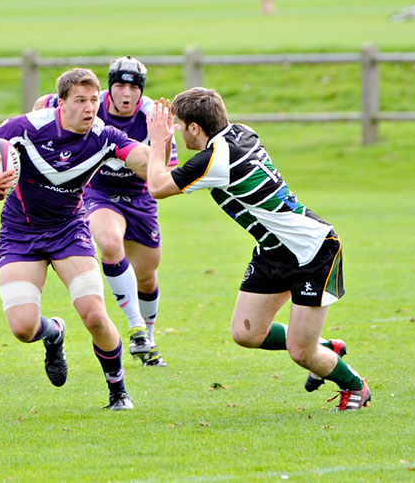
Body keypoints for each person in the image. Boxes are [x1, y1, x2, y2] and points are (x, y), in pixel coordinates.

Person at [145, 88, 370, 411]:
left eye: (180, 126)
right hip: (274, 250)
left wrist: (157, 140)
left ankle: (355, 387)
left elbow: (156, 187)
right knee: (246, 333)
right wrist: (165, 140)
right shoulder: (241, 133)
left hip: (312, 252)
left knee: (300, 352)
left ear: (195, 128)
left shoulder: (216, 160)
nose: (178, 133)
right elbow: (166, 176)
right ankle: (326, 346)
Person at [0, 68, 151, 410]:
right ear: (61, 103)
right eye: (80, 101)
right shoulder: (29, 126)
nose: (90, 108)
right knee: (22, 328)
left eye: (94, 100)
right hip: (20, 233)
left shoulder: (104, 135)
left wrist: (161, 150)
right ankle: (54, 333)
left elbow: (143, 161)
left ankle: (118, 390)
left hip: (69, 230)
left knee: (93, 314)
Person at [34, 57, 176, 367]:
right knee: (110, 243)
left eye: (134, 87)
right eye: (120, 86)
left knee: (147, 278)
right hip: (98, 192)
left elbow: (163, 173)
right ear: (109, 87)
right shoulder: (91, 107)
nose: (127, 94)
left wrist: (158, 145)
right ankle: (136, 327)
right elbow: (43, 105)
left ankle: (148, 341)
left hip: (141, 198)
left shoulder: (152, 116)